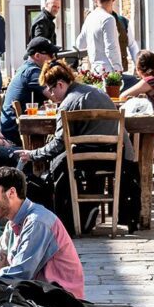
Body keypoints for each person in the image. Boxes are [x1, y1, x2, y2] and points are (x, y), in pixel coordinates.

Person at [17, 59, 139, 232]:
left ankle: (67, 220)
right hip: (118, 157)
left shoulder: (67, 104)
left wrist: (33, 154)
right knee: (64, 160)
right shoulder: (98, 92)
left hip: (88, 159)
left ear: (60, 84)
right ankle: (87, 212)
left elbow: (58, 143)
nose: (51, 94)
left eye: (51, 90)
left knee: (58, 163)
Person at [0, 167, 85, 299]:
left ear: (11, 193)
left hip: (60, 301)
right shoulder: (13, 222)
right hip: (37, 294)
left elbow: (20, 274)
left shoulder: (37, 221)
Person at [0, 37, 57, 144]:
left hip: (13, 129)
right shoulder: (33, 72)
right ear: (37, 56)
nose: (54, 58)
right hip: (17, 133)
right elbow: (56, 97)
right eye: (51, 55)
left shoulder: (25, 68)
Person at [76, 0, 133, 76]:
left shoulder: (90, 17)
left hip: (95, 70)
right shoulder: (108, 19)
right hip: (108, 72)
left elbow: (80, 44)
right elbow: (111, 48)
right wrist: (118, 69)